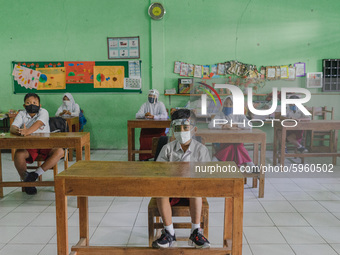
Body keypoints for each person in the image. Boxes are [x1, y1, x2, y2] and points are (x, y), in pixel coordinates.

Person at [153, 109, 211, 249]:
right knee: (161, 193)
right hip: (171, 190)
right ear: (173, 130)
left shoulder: (201, 150)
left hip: (191, 191)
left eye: (186, 127)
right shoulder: (167, 149)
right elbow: (158, 171)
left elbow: (207, 174)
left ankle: (195, 232)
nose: (182, 131)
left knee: (196, 191)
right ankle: (169, 233)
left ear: (194, 129)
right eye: (178, 128)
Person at [10, 93, 64, 195]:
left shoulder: (43, 112)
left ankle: (35, 174)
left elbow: (38, 124)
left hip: (46, 144)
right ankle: (27, 182)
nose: (31, 105)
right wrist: (18, 130)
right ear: (24, 105)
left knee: (60, 151)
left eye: (34, 103)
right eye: (28, 103)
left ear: (40, 105)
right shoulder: (21, 113)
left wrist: (27, 131)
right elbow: (12, 127)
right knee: (18, 154)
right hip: (30, 146)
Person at [208, 96, 257, 169]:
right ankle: (251, 164)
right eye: (226, 103)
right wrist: (225, 126)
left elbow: (249, 125)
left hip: (237, 139)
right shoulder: (220, 114)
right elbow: (210, 125)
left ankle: (215, 159)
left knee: (236, 145)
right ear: (223, 104)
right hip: (224, 141)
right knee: (234, 146)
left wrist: (235, 124)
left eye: (231, 104)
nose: (228, 106)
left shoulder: (239, 114)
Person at [135, 89, 168, 161]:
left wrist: (154, 117)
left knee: (160, 139)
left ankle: (159, 156)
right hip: (147, 128)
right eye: (149, 95)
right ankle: (144, 157)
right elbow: (137, 115)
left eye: (153, 96)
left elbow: (165, 115)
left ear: (156, 97)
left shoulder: (160, 104)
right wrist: (144, 114)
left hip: (158, 128)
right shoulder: (145, 104)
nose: (151, 97)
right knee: (144, 140)